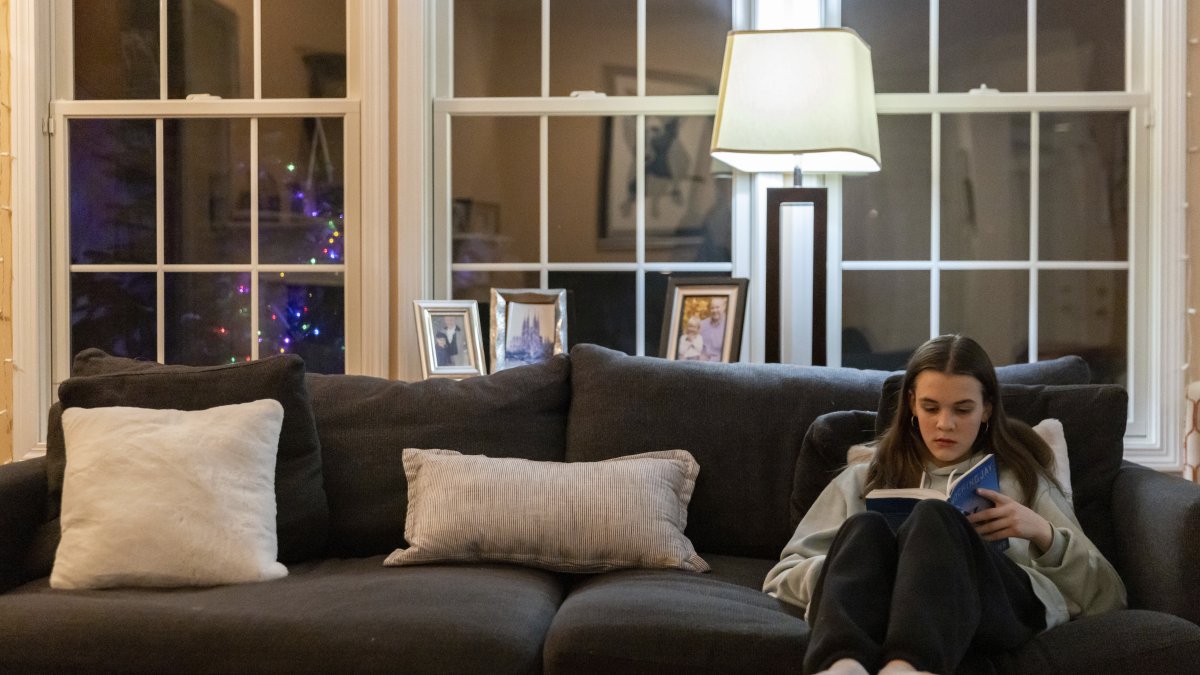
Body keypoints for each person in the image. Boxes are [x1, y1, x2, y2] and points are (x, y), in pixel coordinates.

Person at [763, 335, 1126, 675]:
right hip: (881, 608)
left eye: (963, 410)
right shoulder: (866, 477)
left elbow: (1109, 594)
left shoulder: (1020, 477)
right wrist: (869, 574)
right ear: (912, 405)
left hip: (996, 605)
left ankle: (908, 665)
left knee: (934, 516)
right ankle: (843, 665)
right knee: (865, 528)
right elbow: (783, 575)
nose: (945, 424)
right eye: (930, 407)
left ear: (986, 409)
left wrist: (1042, 532)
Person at [699, 297, 728, 362]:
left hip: (720, 364)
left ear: (724, 307)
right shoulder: (702, 324)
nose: (714, 310)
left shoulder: (729, 326)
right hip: (700, 363)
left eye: (717, 307)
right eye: (712, 308)